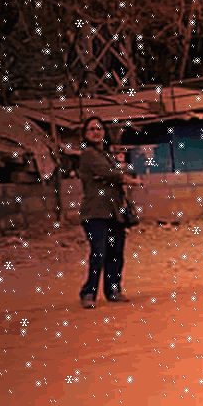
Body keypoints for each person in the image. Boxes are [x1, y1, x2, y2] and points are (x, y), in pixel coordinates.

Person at [76, 117, 141, 309]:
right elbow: (107, 173)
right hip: (95, 214)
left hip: (114, 212)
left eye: (99, 128)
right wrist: (127, 179)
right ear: (85, 134)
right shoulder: (88, 154)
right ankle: (89, 292)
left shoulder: (106, 154)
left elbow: (114, 172)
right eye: (91, 129)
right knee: (99, 253)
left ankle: (113, 290)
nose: (96, 132)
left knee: (116, 253)